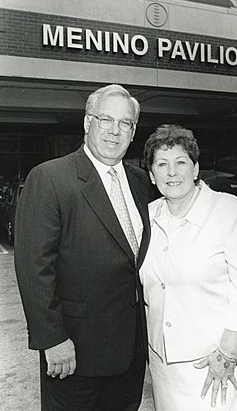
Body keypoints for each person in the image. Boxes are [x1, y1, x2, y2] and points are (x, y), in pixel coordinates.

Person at [14, 84, 153, 411]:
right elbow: (34, 268)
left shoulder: (141, 182)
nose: (115, 131)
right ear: (87, 123)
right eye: (106, 119)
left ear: (133, 133)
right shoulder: (50, 178)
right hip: (75, 353)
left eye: (125, 123)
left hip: (131, 352)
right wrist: (53, 340)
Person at [140, 124, 237, 411]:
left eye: (181, 162)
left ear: (196, 169)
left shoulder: (228, 210)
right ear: (151, 174)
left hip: (214, 360)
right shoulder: (147, 217)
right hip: (163, 362)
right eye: (162, 164)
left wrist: (227, 353)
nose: (172, 172)